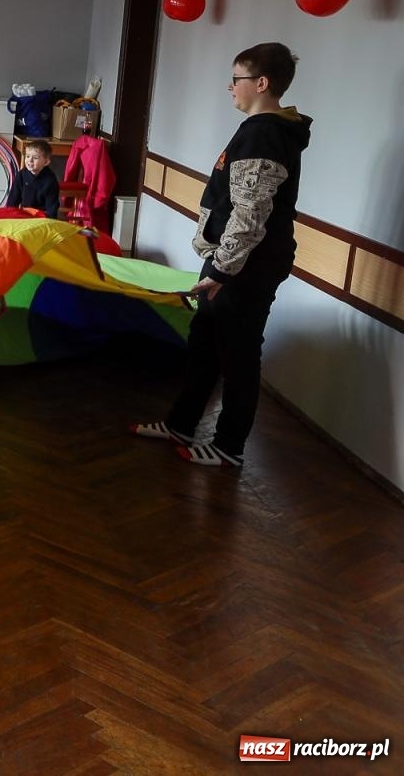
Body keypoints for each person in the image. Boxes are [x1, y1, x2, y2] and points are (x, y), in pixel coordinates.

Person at [132, 42, 312, 467]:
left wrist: (221, 270)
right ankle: (181, 423)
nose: (230, 87)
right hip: (230, 263)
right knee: (206, 343)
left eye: (236, 78)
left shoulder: (265, 133)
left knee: (238, 353)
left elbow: (250, 213)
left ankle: (229, 446)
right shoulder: (260, 129)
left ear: (261, 83)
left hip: (246, 267)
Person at [6, 139, 59, 218]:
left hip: (42, 217)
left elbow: (52, 207)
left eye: (35, 158)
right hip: (24, 214)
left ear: (46, 162)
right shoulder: (21, 175)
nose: (30, 160)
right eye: (27, 156)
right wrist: (10, 216)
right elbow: (12, 200)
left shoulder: (50, 180)